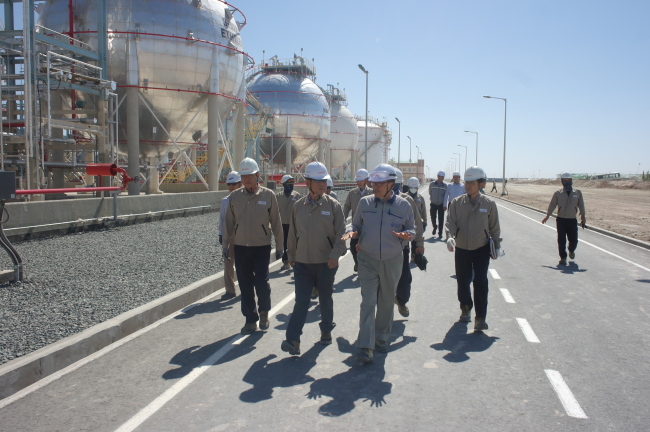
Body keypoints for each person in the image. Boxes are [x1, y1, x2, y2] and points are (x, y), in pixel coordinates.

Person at [341, 164, 415, 364]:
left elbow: (412, 229)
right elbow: (355, 223)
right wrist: (352, 231)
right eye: (374, 183)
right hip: (367, 260)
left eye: (380, 183)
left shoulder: (404, 205)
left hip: (392, 260)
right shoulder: (364, 203)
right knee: (368, 302)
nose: (375, 186)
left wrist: (407, 235)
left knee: (385, 301)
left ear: (391, 184)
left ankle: (382, 337)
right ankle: (365, 346)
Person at [281, 162, 347, 356]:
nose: (322, 185)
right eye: (317, 181)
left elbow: (342, 235)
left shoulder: (333, 206)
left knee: (325, 298)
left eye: (324, 181)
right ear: (308, 182)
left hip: (326, 263)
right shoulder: (298, 207)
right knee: (301, 301)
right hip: (302, 263)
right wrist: (291, 254)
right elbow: (292, 233)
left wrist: (335, 255)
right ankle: (293, 340)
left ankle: (326, 330)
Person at [224, 158, 284, 335]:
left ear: (258, 175)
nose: (246, 179)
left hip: (262, 246)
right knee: (244, 283)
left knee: (261, 282)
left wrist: (280, 246)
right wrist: (226, 245)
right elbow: (228, 222)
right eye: (243, 176)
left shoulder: (268, 195)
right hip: (241, 246)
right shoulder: (235, 197)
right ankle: (250, 319)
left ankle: (264, 311)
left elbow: (276, 222)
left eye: (250, 175)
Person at [445, 166, 503, 331]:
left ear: (481, 183)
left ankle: (480, 317)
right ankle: (465, 307)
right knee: (462, 281)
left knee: (480, 282)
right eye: (466, 182)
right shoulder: (457, 203)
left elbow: (494, 227)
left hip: (481, 249)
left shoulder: (489, 204)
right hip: (462, 248)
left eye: (472, 182)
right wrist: (449, 236)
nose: (468, 185)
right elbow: (450, 222)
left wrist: (497, 245)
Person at [393, 169, 424, 318]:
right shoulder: (374, 200)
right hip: (380, 250)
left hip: (401, 248)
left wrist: (419, 245)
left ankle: (401, 301)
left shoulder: (408, 201)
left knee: (405, 280)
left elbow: (416, 224)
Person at [541, 173, 586, 266]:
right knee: (561, 240)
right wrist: (547, 215)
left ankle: (571, 250)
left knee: (574, 240)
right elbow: (552, 205)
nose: (567, 182)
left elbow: (581, 205)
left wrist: (583, 216)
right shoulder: (558, 193)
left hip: (572, 220)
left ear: (571, 180)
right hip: (561, 220)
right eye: (565, 180)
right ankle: (563, 258)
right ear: (562, 181)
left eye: (569, 180)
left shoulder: (577, 193)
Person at [219, 171, 242, 300]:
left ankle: (246, 288)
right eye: (229, 184)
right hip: (229, 237)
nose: (232, 187)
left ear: (240, 184)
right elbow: (222, 219)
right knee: (228, 265)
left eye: (234, 184)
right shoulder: (224, 202)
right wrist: (220, 234)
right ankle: (230, 290)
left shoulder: (246, 200)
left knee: (243, 266)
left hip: (243, 237)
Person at [343, 168, 372, 272]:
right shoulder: (352, 193)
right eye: (357, 180)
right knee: (352, 246)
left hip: (368, 226)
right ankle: (357, 263)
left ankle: (366, 266)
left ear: (366, 180)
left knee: (367, 248)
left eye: (361, 180)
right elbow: (347, 207)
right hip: (356, 225)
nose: (359, 182)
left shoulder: (372, 193)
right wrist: (343, 219)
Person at [276, 174, 301, 270]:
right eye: (288, 185)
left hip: (293, 225)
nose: (290, 187)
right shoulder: (278, 197)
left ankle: (295, 260)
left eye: (292, 184)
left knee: (293, 243)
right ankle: (285, 260)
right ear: (283, 185)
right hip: (281, 224)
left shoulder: (297, 196)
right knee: (283, 243)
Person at [407, 177, 427, 262]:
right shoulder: (404, 197)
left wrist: (425, 222)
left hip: (417, 224)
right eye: (411, 187)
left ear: (418, 188)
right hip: (407, 223)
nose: (413, 189)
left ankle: (413, 257)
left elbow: (424, 211)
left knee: (415, 241)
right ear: (408, 187)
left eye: (415, 188)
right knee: (405, 242)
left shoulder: (420, 198)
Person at [429, 171, 448, 239]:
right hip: (433, 204)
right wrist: (433, 198)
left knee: (441, 219)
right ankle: (435, 226)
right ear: (437, 176)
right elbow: (430, 192)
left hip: (441, 204)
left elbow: (446, 196)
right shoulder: (432, 184)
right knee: (433, 217)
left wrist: (444, 205)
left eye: (443, 177)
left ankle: (440, 233)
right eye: (440, 176)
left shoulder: (445, 186)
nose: (442, 178)